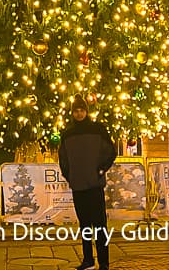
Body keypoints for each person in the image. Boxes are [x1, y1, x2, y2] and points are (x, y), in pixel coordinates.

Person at [58, 95, 116, 270]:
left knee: (99, 225)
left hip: (94, 185)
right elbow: (63, 158)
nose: (79, 113)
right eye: (76, 110)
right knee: (84, 225)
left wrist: (100, 170)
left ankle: (103, 262)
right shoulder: (67, 133)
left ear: (86, 111)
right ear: (72, 113)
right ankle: (88, 260)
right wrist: (70, 176)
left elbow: (110, 151)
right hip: (78, 185)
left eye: (82, 110)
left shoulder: (98, 129)